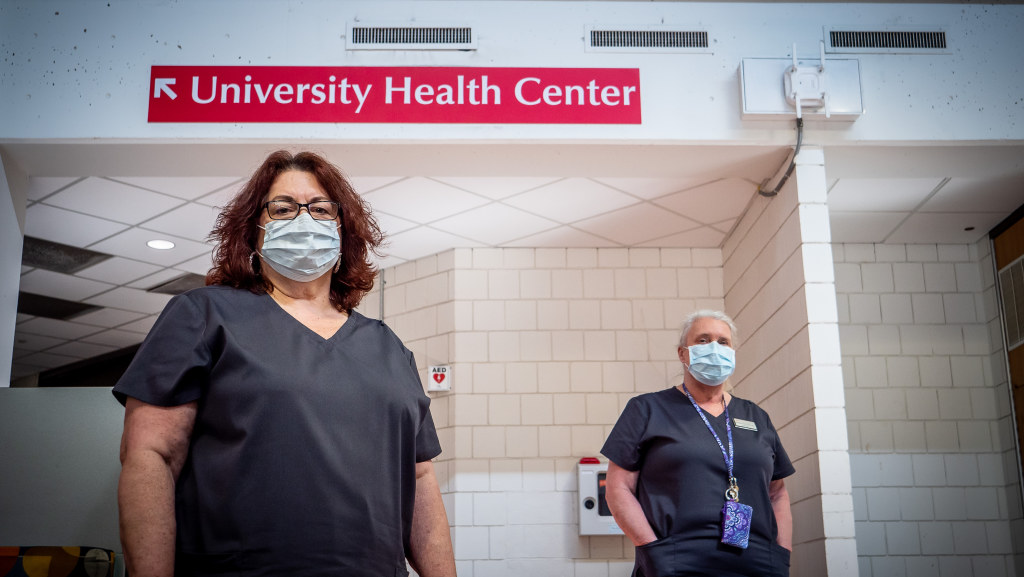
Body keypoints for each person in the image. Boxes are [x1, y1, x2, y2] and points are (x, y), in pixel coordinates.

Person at [114, 150, 456, 577]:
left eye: (320, 209)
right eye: (282, 208)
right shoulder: (203, 316)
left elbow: (420, 480)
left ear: (343, 230)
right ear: (253, 232)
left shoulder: (387, 346)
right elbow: (151, 456)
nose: (303, 220)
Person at [601, 310, 794, 577]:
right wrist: (653, 551)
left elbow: (777, 493)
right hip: (676, 561)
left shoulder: (756, 417)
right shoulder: (646, 410)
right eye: (703, 340)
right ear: (683, 353)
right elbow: (618, 488)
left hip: (757, 563)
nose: (714, 348)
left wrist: (781, 555)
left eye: (723, 342)